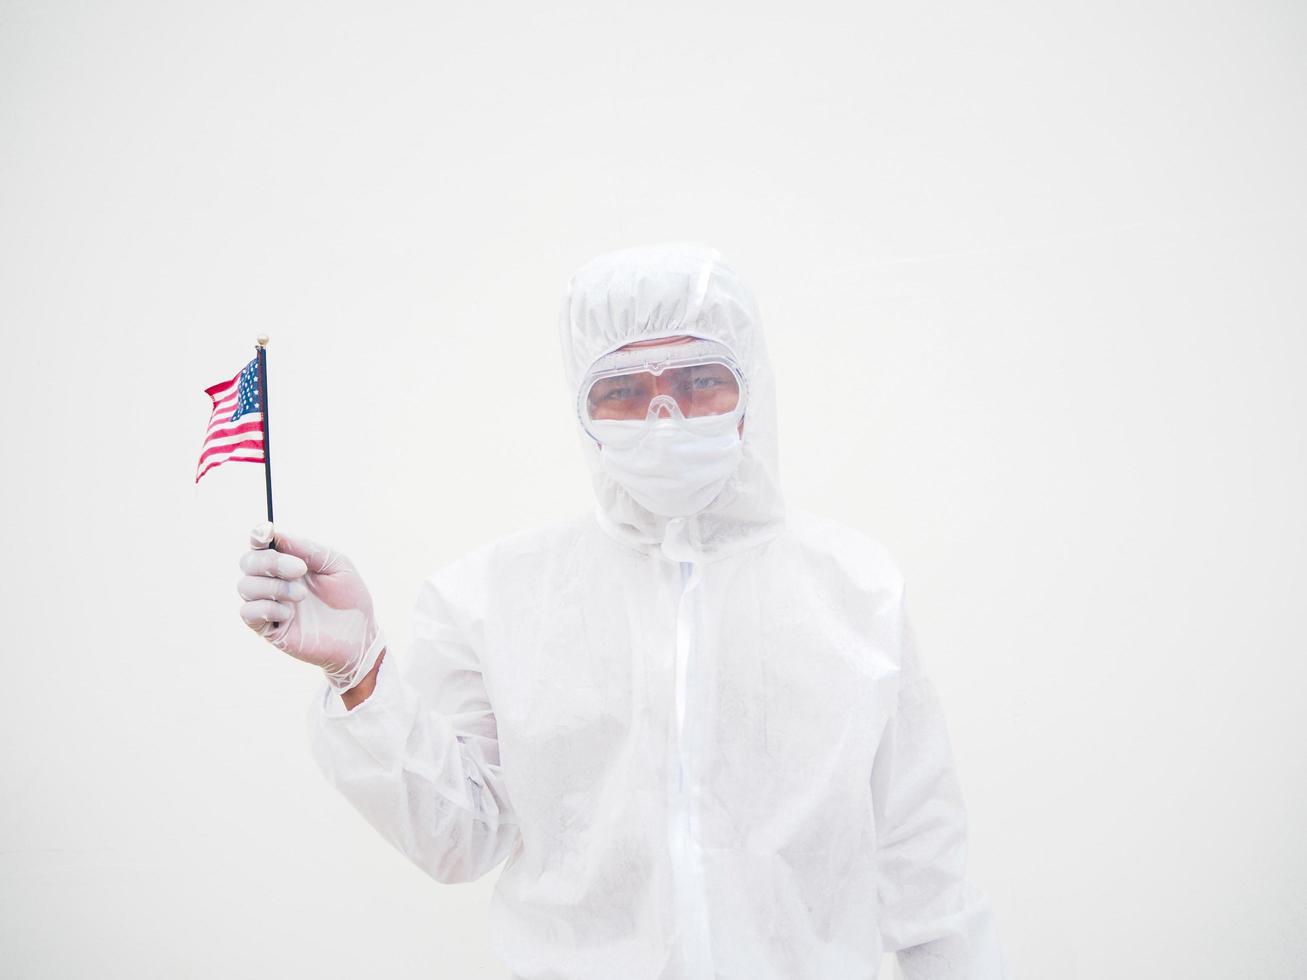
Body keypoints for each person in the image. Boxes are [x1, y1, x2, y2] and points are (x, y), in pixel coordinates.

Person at [236, 243, 1010, 979]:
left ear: (749, 393)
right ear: (585, 413)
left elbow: (924, 869)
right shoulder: (494, 599)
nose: (663, 413)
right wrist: (359, 670)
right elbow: (457, 840)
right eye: (623, 390)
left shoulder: (853, 591)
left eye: (699, 378)